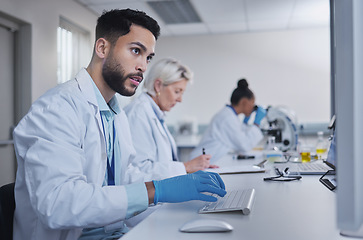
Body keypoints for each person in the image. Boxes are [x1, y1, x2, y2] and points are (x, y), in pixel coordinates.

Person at [12, 9, 226, 240]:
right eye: (136, 51)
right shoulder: (56, 109)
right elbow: (58, 204)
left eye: (148, 57)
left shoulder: (115, 113)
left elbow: (125, 176)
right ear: (102, 48)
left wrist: (177, 177)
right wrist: (156, 191)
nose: (143, 66)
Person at [124, 58, 218, 183]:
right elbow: (139, 170)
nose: (180, 99)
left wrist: (192, 168)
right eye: (177, 91)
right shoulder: (138, 113)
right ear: (158, 86)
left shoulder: (155, 114)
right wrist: (186, 167)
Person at [190, 79, 266, 162]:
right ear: (244, 102)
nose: (253, 107)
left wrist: (245, 123)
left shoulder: (229, 115)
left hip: (209, 160)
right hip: (201, 161)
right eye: (252, 103)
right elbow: (244, 145)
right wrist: (256, 123)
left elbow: (239, 136)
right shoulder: (227, 118)